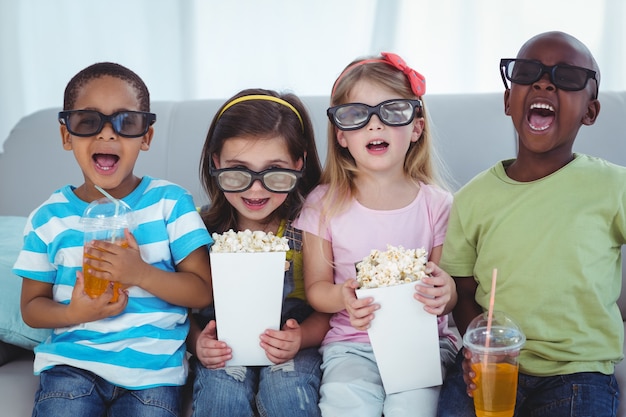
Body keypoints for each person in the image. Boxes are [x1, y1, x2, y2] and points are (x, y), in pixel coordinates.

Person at [436, 31, 622, 417]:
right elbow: (464, 292)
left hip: (578, 373)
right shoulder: (471, 199)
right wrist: (476, 346)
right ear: (508, 100)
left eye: (566, 77)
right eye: (526, 73)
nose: (543, 82)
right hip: (492, 366)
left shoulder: (613, 186)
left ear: (590, 111)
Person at [13, 62, 213, 417]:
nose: (107, 135)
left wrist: (141, 274)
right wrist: (74, 312)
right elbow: (31, 308)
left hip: (152, 375)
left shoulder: (170, 204)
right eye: (88, 122)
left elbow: (202, 291)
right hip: (71, 368)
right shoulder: (48, 218)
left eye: (127, 122)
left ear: (146, 136)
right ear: (66, 135)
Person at [293, 52, 458, 417]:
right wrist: (343, 296)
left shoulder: (438, 205)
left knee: (413, 407)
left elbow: (445, 292)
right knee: (344, 402)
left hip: (422, 344)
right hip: (352, 344)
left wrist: (445, 293)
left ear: (416, 127)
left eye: (392, 112)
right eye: (356, 115)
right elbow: (318, 290)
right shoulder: (324, 204)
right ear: (340, 135)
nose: (374, 125)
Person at [188, 88, 330, 417]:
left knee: (287, 395)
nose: (256, 188)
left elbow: (331, 307)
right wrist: (197, 342)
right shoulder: (196, 228)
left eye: (274, 171)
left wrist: (302, 338)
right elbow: (179, 309)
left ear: (299, 164)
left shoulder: (312, 226)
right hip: (222, 345)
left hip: (295, 343)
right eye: (238, 170)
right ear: (216, 162)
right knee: (220, 397)